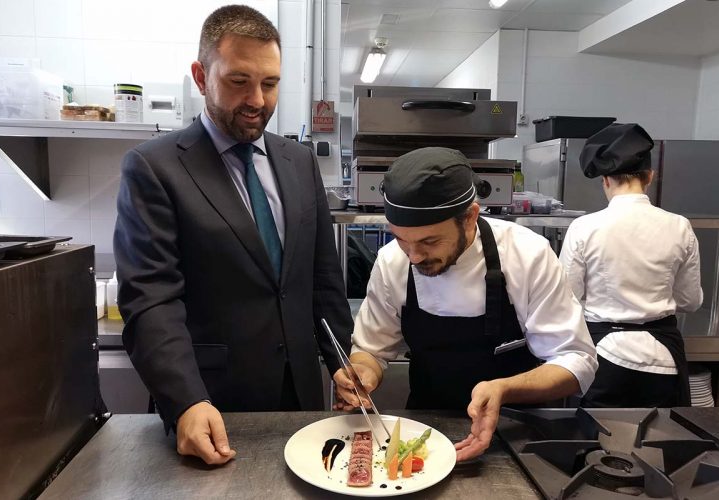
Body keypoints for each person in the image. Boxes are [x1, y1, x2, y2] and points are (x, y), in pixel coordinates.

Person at [113, 5, 353, 465]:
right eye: (239, 81)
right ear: (201, 76)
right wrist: (184, 400)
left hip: (300, 396)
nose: (258, 101)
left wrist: (342, 361)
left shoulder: (298, 161)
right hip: (210, 403)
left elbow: (322, 279)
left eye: (270, 83)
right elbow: (150, 299)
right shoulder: (155, 167)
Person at [333, 147, 597, 461]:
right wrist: (362, 374)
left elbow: (575, 361)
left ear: (470, 217)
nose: (414, 257)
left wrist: (503, 388)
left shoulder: (528, 255)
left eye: (429, 242)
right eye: (402, 239)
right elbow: (372, 350)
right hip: (423, 434)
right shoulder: (393, 262)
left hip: (515, 435)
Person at [558, 123, 703, 408]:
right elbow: (690, 301)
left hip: (603, 357)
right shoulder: (679, 226)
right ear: (649, 177)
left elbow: (567, 297)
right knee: (662, 441)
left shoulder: (585, 227)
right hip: (663, 358)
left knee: (597, 442)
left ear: (606, 180)